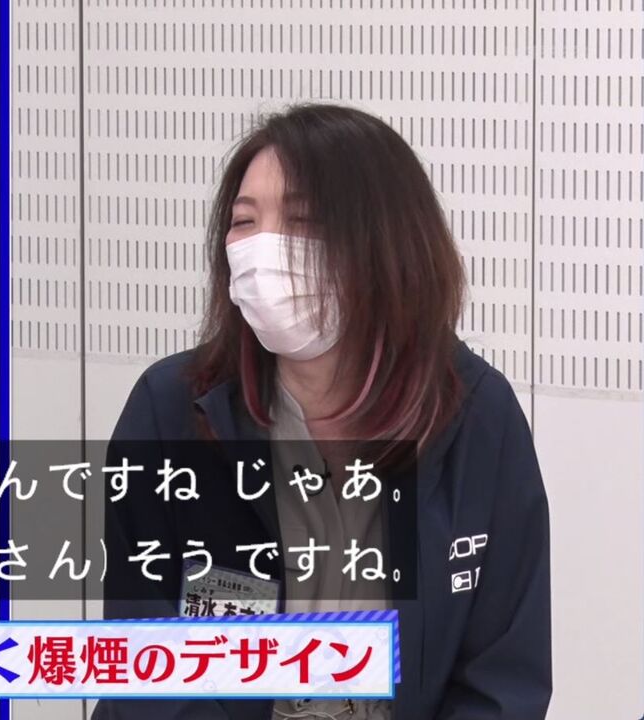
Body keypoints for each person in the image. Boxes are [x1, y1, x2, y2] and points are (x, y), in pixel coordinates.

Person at [92, 103, 551, 720]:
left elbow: (503, 677)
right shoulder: (170, 407)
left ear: (388, 243)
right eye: (245, 222)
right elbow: (143, 658)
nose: (263, 250)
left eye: (302, 220)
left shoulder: (475, 415)